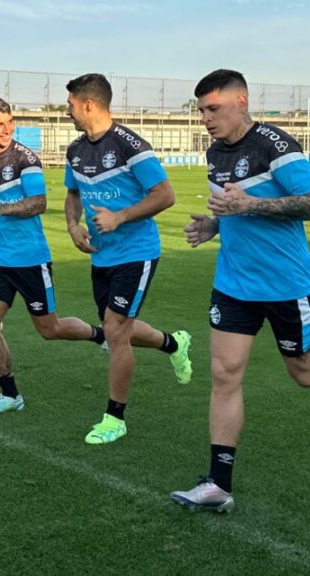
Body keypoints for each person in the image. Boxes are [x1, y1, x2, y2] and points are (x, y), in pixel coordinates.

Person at [170, 70, 310, 513]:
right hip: (233, 283)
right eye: (201, 111)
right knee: (224, 374)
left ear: (241, 101)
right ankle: (219, 484)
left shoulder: (276, 145)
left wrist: (248, 205)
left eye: (213, 109)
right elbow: (233, 210)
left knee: (306, 374)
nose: (206, 119)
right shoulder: (214, 152)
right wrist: (215, 224)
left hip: (286, 286)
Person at [0, 97, 109, 415]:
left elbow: (38, 203)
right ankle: (10, 395)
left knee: (50, 330)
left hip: (32, 260)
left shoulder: (25, 160)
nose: (6, 130)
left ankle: (98, 334)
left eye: (9, 123)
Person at [63, 73, 192, 445]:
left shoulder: (130, 145)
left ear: (88, 104)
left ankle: (115, 417)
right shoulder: (75, 150)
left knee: (115, 331)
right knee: (115, 325)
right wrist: (73, 227)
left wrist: (120, 217)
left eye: (70, 104)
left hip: (136, 253)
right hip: (101, 255)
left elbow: (165, 195)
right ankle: (173, 343)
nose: (67, 111)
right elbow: (73, 195)